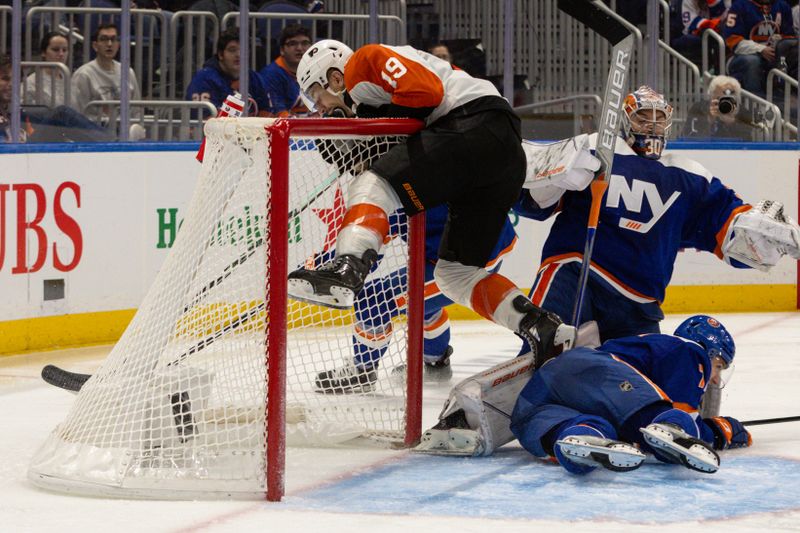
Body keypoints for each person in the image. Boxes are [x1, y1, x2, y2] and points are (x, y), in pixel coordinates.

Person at [286, 39, 578, 377]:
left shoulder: (364, 62)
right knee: (455, 276)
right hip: (498, 147)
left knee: (372, 185)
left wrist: (368, 126)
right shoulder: (410, 144)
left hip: (473, 125)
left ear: (335, 78)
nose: (320, 108)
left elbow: (427, 93)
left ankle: (347, 272)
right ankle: (542, 327)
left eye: (316, 96)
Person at [514, 85, 800, 346]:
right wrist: (555, 176)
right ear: (626, 121)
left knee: (644, 379)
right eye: (642, 117)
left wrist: (757, 233)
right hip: (576, 275)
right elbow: (532, 201)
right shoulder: (596, 147)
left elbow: (724, 224)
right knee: (544, 355)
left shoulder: (689, 175)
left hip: (640, 301)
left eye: (659, 117)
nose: (652, 124)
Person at [416, 315, 753, 476]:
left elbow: (622, 414)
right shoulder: (687, 351)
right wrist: (722, 430)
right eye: (718, 363)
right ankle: (588, 433)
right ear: (708, 351)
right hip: (595, 370)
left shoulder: (651, 360)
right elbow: (677, 422)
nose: (715, 376)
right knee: (666, 424)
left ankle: (577, 437)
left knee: (578, 428)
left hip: (541, 394)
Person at [1, 54, 113, 143]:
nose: (12, 84)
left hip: (26, 152)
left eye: (15, 79)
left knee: (59, 122)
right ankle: (113, 145)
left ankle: (111, 145)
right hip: (13, 156)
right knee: (62, 114)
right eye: (5, 79)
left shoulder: (14, 111)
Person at [186, 28, 272, 117]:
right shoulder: (203, 80)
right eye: (232, 50)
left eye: (243, 50)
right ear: (220, 54)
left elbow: (268, 113)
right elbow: (204, 121)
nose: (239, 54)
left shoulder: (255, 78)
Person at [71, 23, 143, 127]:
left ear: (118, 45)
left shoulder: (127, 72)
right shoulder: (83, 75)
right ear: (95, 46)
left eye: (113, 39)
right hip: (94, 132)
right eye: (104, 39)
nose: (109, 44)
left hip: (125, 132)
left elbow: (137, 110)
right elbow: (77, 113)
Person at [723, 0, 796, 97]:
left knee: (795, 54)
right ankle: (756, 103)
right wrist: (760, 49)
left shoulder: (782, 5)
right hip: (740, 56)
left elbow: (790, 37)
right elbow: (732, 40)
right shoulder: (739, 6)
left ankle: (791, 97)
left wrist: (780, 44)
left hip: (774, 55)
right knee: (752, 61)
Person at [258, 24, 312, 117]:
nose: (299, 48)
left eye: (305, 43)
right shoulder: (270, 75)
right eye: (292, 44)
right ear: (282, 50)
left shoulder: (316, 69)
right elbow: (278, 113)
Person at [682, 75, 758, 139]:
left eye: (730, 99)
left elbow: (746, 142)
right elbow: (689, 136)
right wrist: (709, 120)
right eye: (720, 99)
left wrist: (732, 123)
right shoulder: (699, 109)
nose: (724, 103)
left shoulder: (742, 112)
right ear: (711, 96)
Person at [22, 31, 70, 108]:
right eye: (55, 49)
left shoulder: (68, 78)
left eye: (64, 50)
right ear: (43, 52)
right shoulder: (32, 82)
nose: (61, 54)